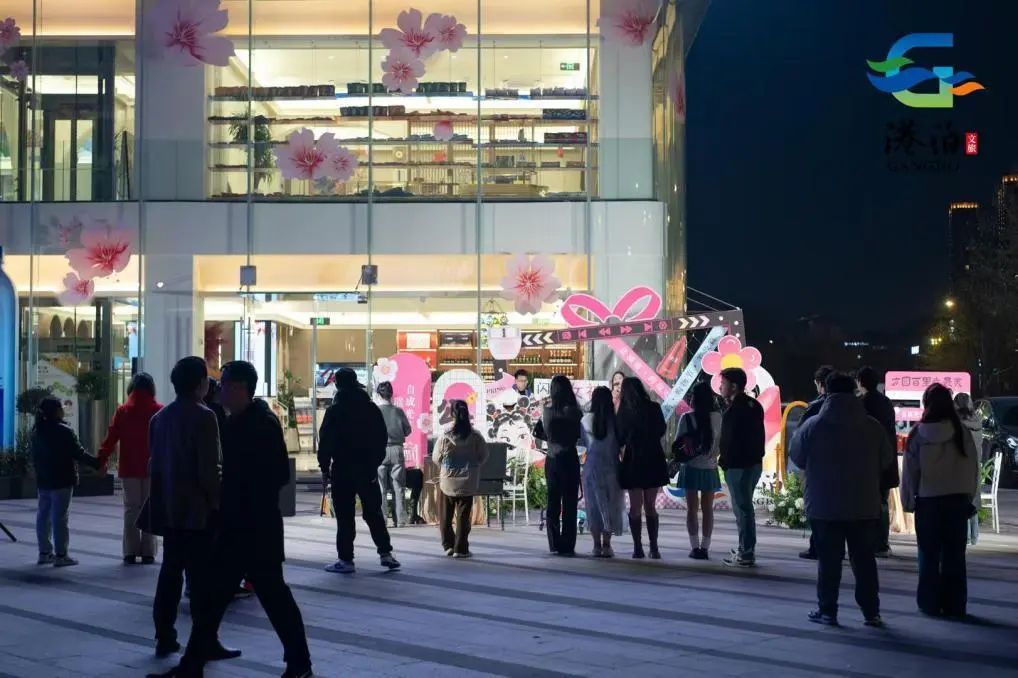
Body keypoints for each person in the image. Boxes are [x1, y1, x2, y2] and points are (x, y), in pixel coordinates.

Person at [199, 360, 313, 678]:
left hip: (255, 526)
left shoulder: (261, 424)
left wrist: (238, 492)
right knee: (217, 593)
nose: (218, 391)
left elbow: (277, 475)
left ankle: (300, 663)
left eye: (223, 385)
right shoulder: (235, 421)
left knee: (273, 596)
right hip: (238, 524)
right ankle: (195, 657)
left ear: (239, 388)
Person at [147, 356, 239, 669]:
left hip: (170, 510)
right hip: (199, 511)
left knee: (170, 573)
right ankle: (205, 641)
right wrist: (217, 503)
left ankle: (164, 634)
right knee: (202, 580)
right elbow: (210, 469)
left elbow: (154, 466)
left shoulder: (159, 418)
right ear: (201, 384)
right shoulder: (204, 416)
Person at [789, 372, 895, 627]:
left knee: (829, 561)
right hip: (863, 504)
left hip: (824, 505)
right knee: (864, 560)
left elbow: (797, 457)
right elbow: (886, 459)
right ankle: (871, 612)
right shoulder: (872, 427)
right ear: (854, 392)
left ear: (827, 392)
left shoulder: (813, 426)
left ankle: (828, 611)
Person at [901, 383, 980, 618]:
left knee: (928, 556)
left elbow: (910, 473)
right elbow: (972, 469)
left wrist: (908, 501)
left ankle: (929, 603)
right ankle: (955, 604)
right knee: (955, 557)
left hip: (928, 503)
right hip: (957, 502)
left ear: (926, 404)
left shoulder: (918, 434)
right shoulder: (962, 432)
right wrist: (970, 499)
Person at [318, 367, 401, 574]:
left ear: (338, 385)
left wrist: (324, 467)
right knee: (373, 512)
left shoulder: (335, 411)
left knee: (345, 516)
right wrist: (373, 462)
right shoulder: (370, 408)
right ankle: (385, 553)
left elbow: (325, 441)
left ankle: (346, 560)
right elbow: (381, 437)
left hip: (342, 470)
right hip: (366, 469)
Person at [98, 372, 163, 565]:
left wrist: (101, 460)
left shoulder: (123, 411)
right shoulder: (159, 411)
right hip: (153, 467)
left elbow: (111, 438)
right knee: (149, 507)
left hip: (128, 467)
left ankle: (130, 551)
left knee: (131, 509)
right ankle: (149, 552)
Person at [31, 396, 100, 567]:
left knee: (43, 516)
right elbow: (79, 453)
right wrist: (97, 464)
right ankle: (61, 555)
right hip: (62, 480)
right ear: (57, 411)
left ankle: (44, 553)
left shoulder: (37, 431)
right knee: (60, 517)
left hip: (44, 480)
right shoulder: (65, 431)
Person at [616, 377, 669, 559]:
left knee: (635, 507)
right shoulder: (654, 407)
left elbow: (620, 437)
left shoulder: (625, 411)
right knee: (651, 506)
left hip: (634, 460)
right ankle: (654, 548)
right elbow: (661, 430)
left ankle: (637, 548)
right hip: (653, 458)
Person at [718, 367, 765, 568]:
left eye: (723, 383)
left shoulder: (735, 410)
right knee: (744, 508)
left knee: (742, 509)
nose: (720, 387)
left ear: (734, 386)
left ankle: (746, 552)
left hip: (738, 466)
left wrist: (724, 461)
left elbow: (729, 440)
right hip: (753, 463)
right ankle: (744, 547)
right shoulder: (754, 405)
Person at [533, 375, 583, 556]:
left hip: (553, 459)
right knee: (570, 504)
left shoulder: (547, 412)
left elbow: (540, 432)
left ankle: (554, 544)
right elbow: (580, 434)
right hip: (570, 458)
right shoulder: (575, 412)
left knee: (553, 502)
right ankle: (568, 545)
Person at [432, 400, 488, 558]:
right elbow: (483, 456)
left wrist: (446, 467)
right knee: (463, 517)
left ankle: (448, 545)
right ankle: (461, 549)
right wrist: (473, 466)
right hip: (468, 481)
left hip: (448, 481)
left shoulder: (446, 436)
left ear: (452, 414)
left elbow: (436, 458)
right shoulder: (475, 436)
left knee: (445, 516)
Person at [674, 381, 722, 560]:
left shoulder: (686, 418)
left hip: (691, 467)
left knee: (692, 509)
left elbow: (678, 444)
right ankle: (705, 548)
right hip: (710, 467)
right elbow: (721, 443)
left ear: (694, 398)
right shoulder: (718, 417)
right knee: (708, 509)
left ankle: (695, 548)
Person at [856, 366, 899, 558]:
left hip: (866, 462)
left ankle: (868, 542)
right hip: (886, 461)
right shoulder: (886, 402)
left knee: (865, 503)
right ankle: (882, 544)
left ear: (860, 382)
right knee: (882, 502)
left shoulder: (860, 404)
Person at [579, 386, 625, 557]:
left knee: (594, 507)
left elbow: (583, 444)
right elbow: (620, 445)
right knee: (611, 506)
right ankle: (607, 545)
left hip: (592, 467)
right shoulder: (616, 421)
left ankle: (596, 546)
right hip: (612, 468)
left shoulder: (585, 420)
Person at [797, 365, 833, 560]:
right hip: (843, 468)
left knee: (816, 505)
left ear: (820, 384)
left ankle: (817, 546)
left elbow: (799, 438)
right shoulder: (856, 408)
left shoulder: (815, 407)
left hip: (816, 465)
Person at [376, 381, 411, 528]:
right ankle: (400, 519)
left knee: (381, 487)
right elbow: (408, 430)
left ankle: (382, 519)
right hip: (397, 450)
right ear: (391, 395)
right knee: (398, 486)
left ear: (378, 395)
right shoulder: (398, 411)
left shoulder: (374, 411)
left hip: (379, 450)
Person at [954, 393, 983, 546]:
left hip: (961, 467)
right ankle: (974, 536)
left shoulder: (957, 425)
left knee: (960, 501)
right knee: (973, 500)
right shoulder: (977, 423)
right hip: (976, 467)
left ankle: (963, 536)